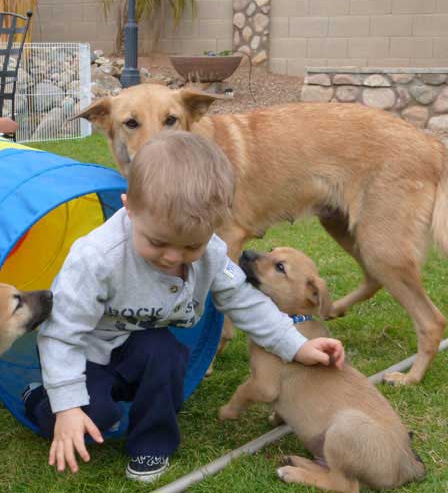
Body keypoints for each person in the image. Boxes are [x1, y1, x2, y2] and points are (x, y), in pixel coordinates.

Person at [22, 131, 346, 483]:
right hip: (86, 352)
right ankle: (38, 398)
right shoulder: (97, 258)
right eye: (158, 242)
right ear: (129, 207)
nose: (174, 257)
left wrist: (296, 344)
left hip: (139, 344)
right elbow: (62, 333)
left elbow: (242, 298)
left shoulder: (210, 251)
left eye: (191, 246)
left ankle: (152, 442)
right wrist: (66, 405)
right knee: (93, 417)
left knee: (167, 353)